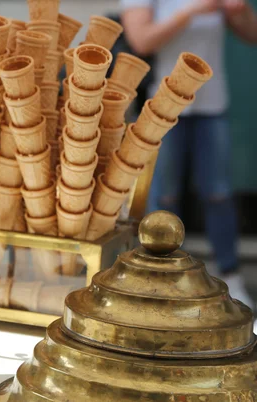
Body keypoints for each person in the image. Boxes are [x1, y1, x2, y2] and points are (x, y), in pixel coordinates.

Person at [120, 0, 257, 307]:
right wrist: (192, 10)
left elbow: (252, 34)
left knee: (220, 194)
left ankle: (231, 278)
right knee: (163, 197)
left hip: (213, 105)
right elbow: (141, 40)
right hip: (165, 105)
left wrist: (239, 11)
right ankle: (157, 279)